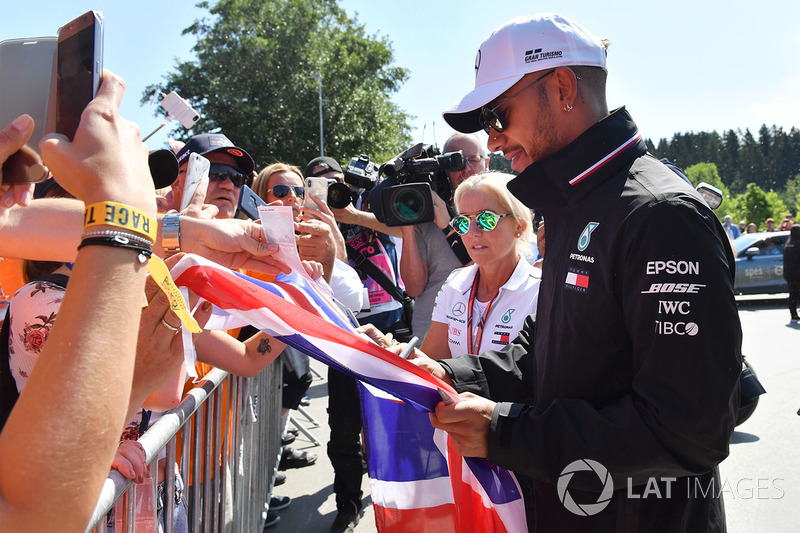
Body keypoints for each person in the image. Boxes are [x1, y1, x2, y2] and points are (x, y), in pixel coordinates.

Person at [404, 14, 741, 532]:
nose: (492, 142)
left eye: (498, 115)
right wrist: (452, 376)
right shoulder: (569, 205)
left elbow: (687, 430)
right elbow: (551, 350)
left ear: (561, 86)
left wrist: (506, 433)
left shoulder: (659, 214)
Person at [0, 70, 163, 531]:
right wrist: (124, 214)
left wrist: (162, 228)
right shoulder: (36, 297)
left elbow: (19, 223)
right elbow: (33, 517)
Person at [306, 155, 409, 533]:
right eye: (318, 183)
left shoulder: (367, 204)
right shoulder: (309, 222)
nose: (332, 190)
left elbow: (403, 228)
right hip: (344, 333)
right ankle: (348, 504)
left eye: (335, 181)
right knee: (344, 426)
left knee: (392, 421)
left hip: (389, 324)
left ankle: (399, 499)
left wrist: (351, 215)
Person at [421, 172, 539, 358]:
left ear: (519, 226)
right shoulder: (455, 283)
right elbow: (432, 362)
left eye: (486, 219)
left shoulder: (541, 292)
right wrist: (387, 348)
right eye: (463, 221)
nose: (473, 232)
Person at [399, 132, 488, 339]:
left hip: (482, 338)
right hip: (431, 337)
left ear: (487, 163)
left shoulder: (499, 212)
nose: (466, 169)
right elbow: (413, 288)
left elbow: (483, 267)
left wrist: (448, 225)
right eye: (454, 161)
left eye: (473, 160)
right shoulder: (427, 217)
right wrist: (407, 224)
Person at [783, 224, 800, 320]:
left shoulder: (788, 245)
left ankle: (793, 313)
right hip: (798, 274)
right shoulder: (798, 245)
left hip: (789, 274)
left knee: (793, 293)